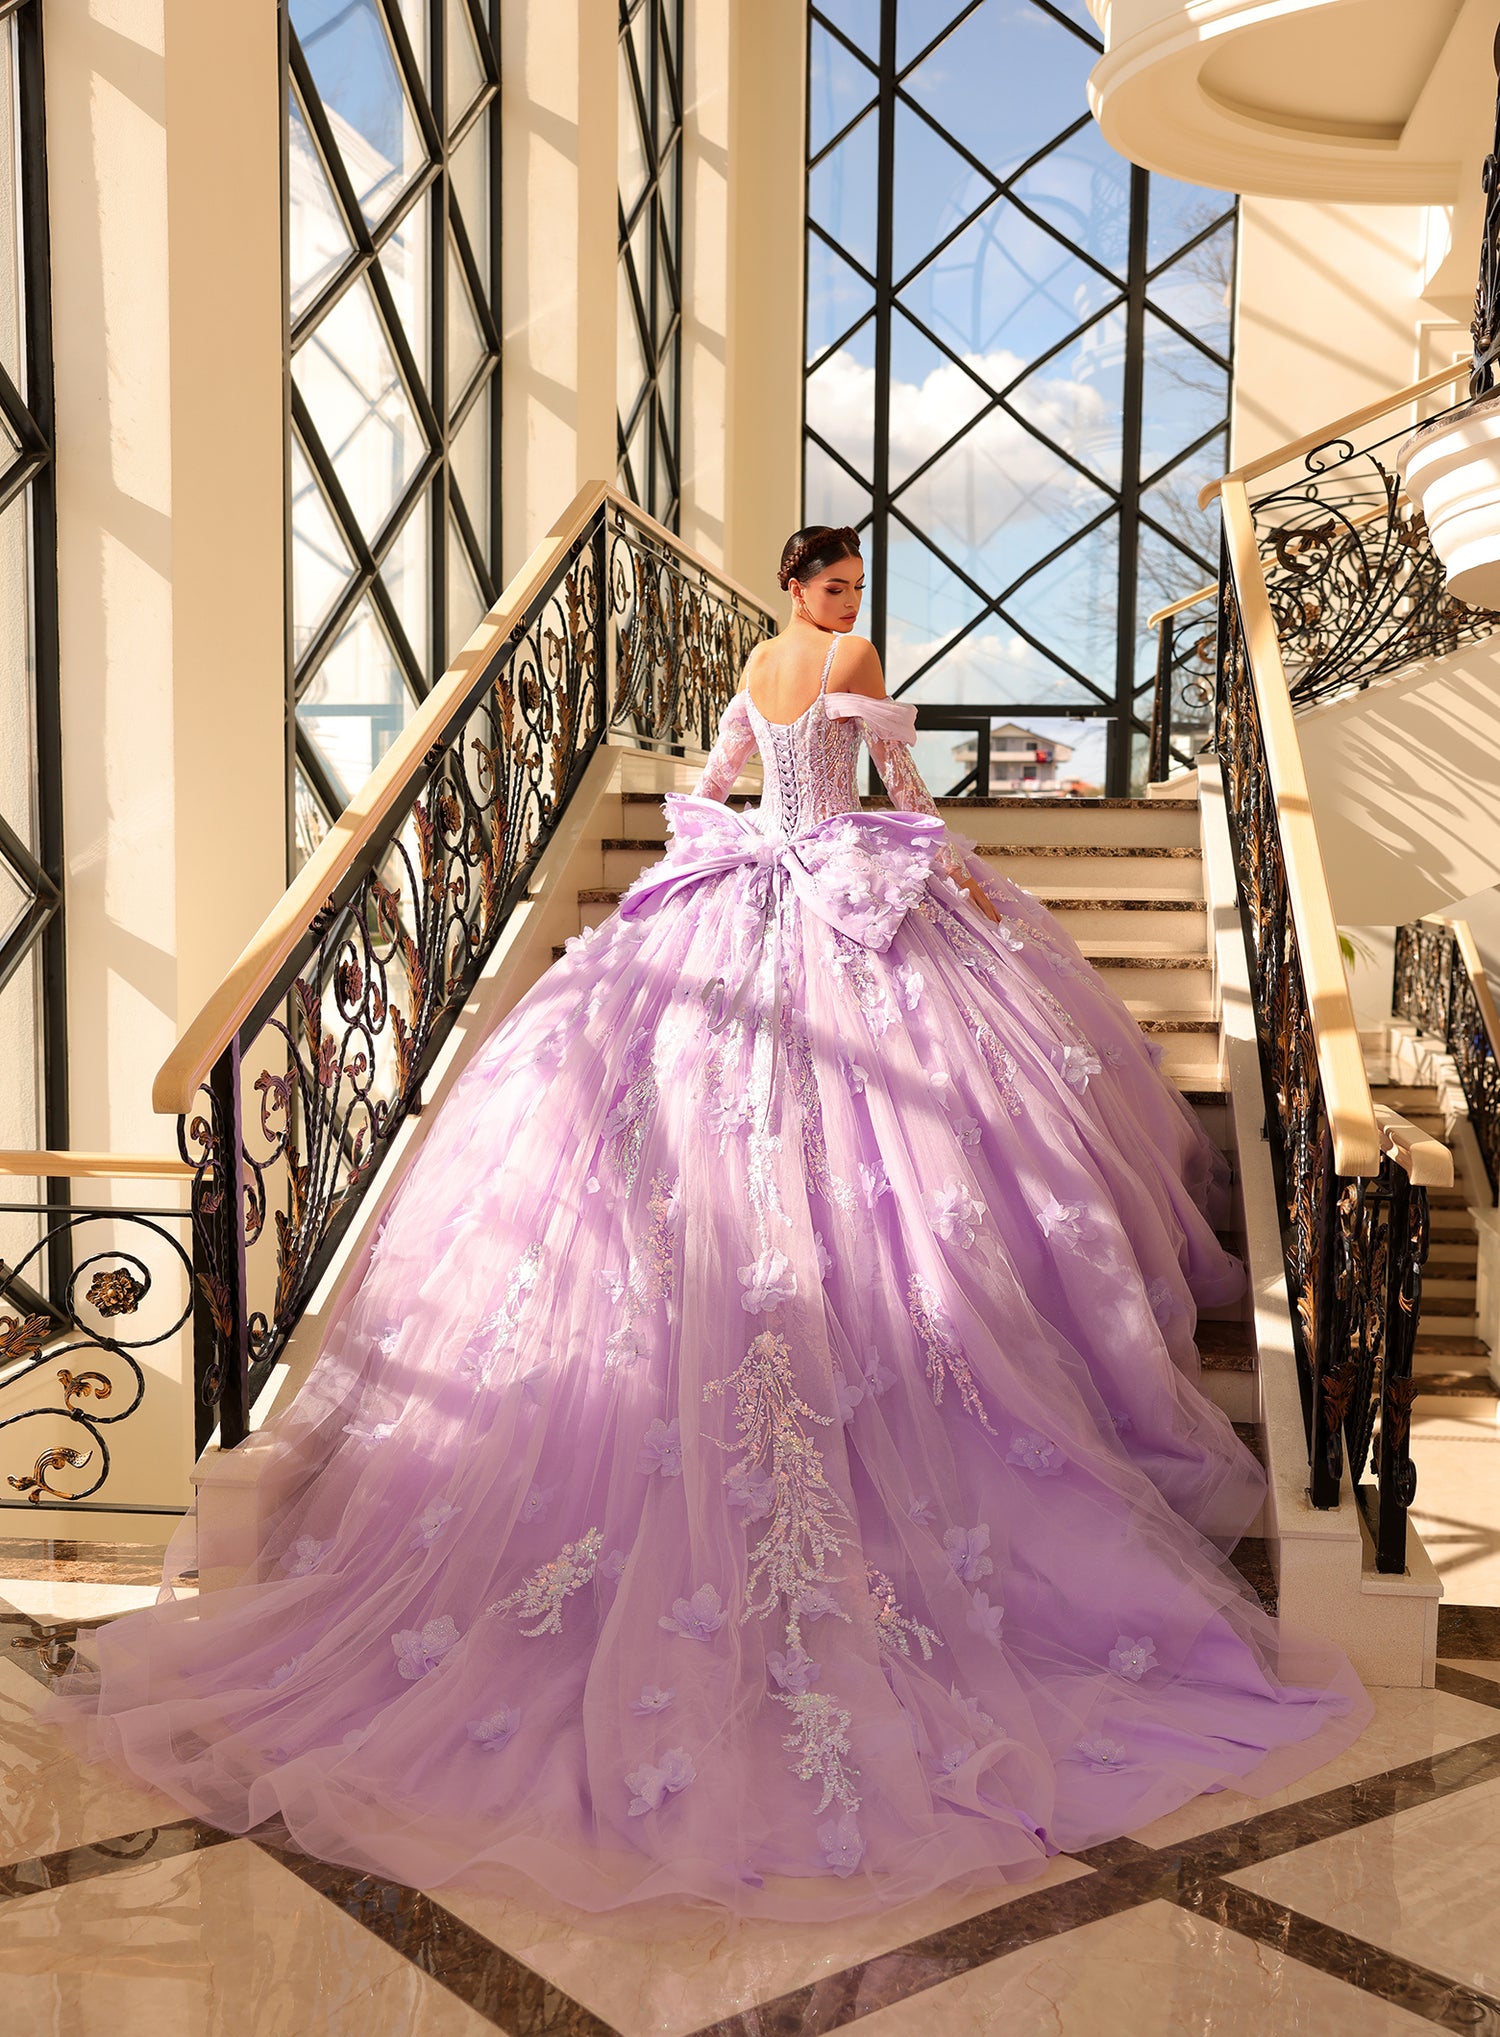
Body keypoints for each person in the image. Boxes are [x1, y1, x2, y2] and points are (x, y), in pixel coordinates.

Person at [51, 524, 1372, 1923]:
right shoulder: (853, 660)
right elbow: (899, 790)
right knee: (920, 1126)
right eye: (833, 587)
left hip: (748, 893)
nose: (847, 606)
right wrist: (964, 878)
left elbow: (717, 780)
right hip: (839, 897)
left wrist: (717, 859)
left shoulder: (756, 660)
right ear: (804, 588)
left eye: (851, 591)